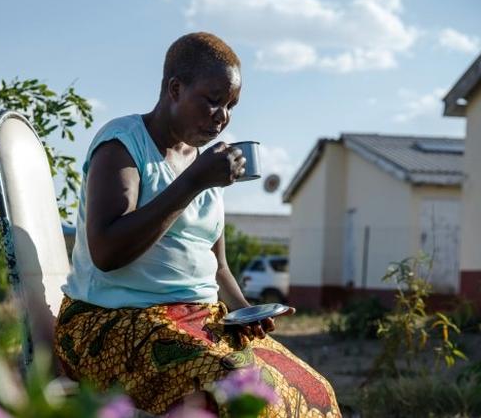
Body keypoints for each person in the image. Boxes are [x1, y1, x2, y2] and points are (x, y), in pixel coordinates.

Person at [54, 32, 339, 417]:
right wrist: (193, 182)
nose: (222, 116)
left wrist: (244, 312)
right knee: (239, 397)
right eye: (212, 100)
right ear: (175, 88)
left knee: (314, 392)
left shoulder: (203, 164)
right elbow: (106, 251)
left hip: (197, 321)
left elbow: (217, 265)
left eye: (231, 105)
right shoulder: (122, 146)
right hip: (113, 323)